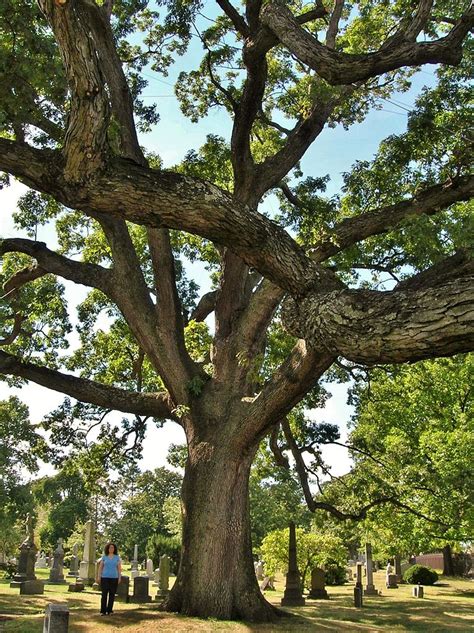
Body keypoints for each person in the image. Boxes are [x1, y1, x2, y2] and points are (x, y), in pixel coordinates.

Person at [96, 542, 122, 616]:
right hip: (105, 577)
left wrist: (119, 577)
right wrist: (99, 576)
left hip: (114, 578)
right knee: (104, 594)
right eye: (110, 547)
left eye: (113, 548)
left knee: (112, 594)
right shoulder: (104, 557)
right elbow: (100, 567)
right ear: (108, 549)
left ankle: (109, 610)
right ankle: (103, 611)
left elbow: (119, 568)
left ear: (114, 549)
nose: (111, 549)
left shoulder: (117, 557)